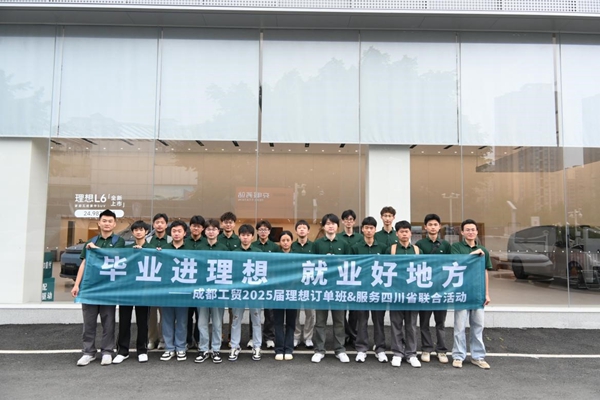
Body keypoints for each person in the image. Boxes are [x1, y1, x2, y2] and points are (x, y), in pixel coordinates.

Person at [71, 209, 125, 366]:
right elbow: (84, 263)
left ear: (114, 224)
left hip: (108, 288)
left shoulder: (119, 241)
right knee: (89, 322)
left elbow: (115, 257)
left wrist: (96, 249)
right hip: (90, 287)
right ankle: (88, 352)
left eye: (110, 221)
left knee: (108, 321)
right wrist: (77, 284)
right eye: (104, 221)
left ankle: (107, 351)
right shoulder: (91, 241)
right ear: (99, 223)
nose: (107, 224)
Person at [451, 219, 492, 370]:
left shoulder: (483, 250)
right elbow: (457, 264)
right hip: (461, 292)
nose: (470, 232)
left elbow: (485, 272)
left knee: (478, 326)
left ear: (477, 232)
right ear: (462, 232)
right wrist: (473, 254)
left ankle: (478, 356)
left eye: (473, 229)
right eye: (467, 230)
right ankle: (458, 356)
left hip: (477, 293)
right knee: (459, 327)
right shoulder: (456, 247)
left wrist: (486, 293)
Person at [311, 213, 351, 363]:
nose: (330, 226)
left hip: (338, 287)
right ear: (323, 226)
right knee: (320, 321)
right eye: (327, 224)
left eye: (333, 223)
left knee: (339, 321)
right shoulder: (317, 244)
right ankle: (319, 350)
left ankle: (340, 349)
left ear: (337, 226)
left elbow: (349, 265)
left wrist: (337, 260)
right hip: (322, 287)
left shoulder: (344, 244)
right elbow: (312, 264)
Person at [415, 213, 452, 364]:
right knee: (424, 322)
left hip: (440, 289)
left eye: (435, 224)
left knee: (440, 322)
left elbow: (451, 265)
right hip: (425, 289)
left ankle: (442, 350)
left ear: (439, 227)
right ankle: (426, 348)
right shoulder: (419, 245)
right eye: (430, 224)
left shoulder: (446, 245)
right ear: (425, 227)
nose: (432, 227)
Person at [351, 217, 388, 364]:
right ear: (362, 229)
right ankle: (361, 349)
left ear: (375, 230)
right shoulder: (355, 247)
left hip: (378, 290)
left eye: (371, 228)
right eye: (366, 228)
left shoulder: (382, 248)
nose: (368, 230)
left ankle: (380, 349)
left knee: (378, 321)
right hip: (361, 289)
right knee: (362, 321)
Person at [114, 220, 151, 364]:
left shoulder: (152, 248)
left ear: (146, 232)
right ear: (133, 232)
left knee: (143, 321)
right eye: (136, 230)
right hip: (127, 290)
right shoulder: (127, 249)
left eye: (141, 229)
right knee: (124, 321)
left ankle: (142, 350)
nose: (138, 232)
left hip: (144, 291)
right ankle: (122, 351)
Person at [194, 218, 229, 364]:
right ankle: (203, 349)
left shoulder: (224, 249)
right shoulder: (199, 248)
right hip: (202, 290)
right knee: (202, 322)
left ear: (218, 231)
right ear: (204, 231)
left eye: (214, 229)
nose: (211, 232)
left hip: (218, 292)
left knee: (217, 323)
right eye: (208, 229)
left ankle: (216, 349)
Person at [388, 220, 421, 368]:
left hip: (412, 293)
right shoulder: (391, 249)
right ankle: (397, 353)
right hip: (396, 292)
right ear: (397, 234)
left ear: (410, 233)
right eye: (401, 231)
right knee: (396, 324)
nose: (404, 234)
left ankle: (411, 353)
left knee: (411, 325)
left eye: (406, 231)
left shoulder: (417, 250)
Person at [229, 224, 263, 362]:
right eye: (243, 235)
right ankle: (234, 346)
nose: (245, 237)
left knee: (256, 319)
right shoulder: (234, 253)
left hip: (254, 292)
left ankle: (257, 346)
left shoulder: (258, 252)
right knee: (236, 319)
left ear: (252, 237)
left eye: (248, 235)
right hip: (239, 291)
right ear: (239, 236)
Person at [159, 220, 189, 362]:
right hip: (167, 290)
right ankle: (169, 348)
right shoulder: (164, 249)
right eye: (174, 231)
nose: (176, 234)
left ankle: (181, 347)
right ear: (170, 233)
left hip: (183, 291)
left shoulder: (190, 250)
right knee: (167, 320)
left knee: (182, 321)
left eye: (179, 231)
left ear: (185, 233)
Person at [252, 220, 281, 349]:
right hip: (255, 284)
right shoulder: (253, 246)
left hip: (270, 283)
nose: (263, 232)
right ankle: (253, 337)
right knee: (254, 312)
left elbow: (278, 264)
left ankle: (269, 337)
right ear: (257, 231)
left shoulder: (275, 247)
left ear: (269, 232)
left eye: (265, 229)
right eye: (260, 229)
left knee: (270, 313)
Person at [337, 209, 363, 348]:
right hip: (341, 277)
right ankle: (346, 334)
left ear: (354, 221)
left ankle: (353, 336)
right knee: (341, 310)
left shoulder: (360, 238)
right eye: (346, 219)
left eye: (351, 219)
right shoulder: (338, 237)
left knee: (355, 310)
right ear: (342, 221)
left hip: (356, 277)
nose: (348, 222)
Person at [146, 213, 172, 351]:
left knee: (165, 314)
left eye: (162, 222)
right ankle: (152, 339)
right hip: (150, 283)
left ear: (166, 224)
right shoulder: (147, 240)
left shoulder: (171, 239)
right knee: (151, 314)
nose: (159, 225)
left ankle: (163, 339)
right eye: (157, 222)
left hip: (165, 283)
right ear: (153, 224)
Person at [273, 230, 297, 360]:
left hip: (293, 293)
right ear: (280, 242)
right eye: (283, 240)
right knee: (278, 322)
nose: (286, 243)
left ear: (292, 241)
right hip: (278, 292)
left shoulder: (297, 257)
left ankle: (288, 348)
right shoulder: (276, 257)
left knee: (290, 323)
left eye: (288, 240)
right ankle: (279, 349)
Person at [292, 220, 315, 349]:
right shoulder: (292, 246)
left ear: (308, 231)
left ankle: (308, 337)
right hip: (295, 284)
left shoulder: (314, 246)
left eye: (304, 228)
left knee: (310, 313)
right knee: (294, 313)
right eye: (299, 228)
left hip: (309, 284)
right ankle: (296, 336)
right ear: (296, 231)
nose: (302, 230)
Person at [185, 215, 205, 350]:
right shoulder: (184, 242)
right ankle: (187, 340)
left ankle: (198, 340)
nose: (196, 228)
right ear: (190, 227)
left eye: (198, 226)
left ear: (202, 228)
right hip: (186, 285)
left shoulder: (207, 243)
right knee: (187, 316)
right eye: (193, 226)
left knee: (201, 316)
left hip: (201, 285)